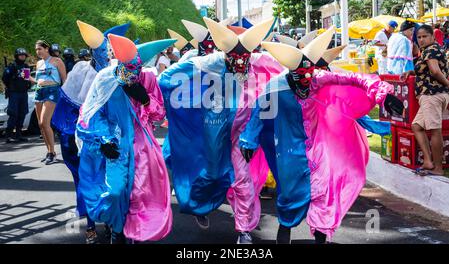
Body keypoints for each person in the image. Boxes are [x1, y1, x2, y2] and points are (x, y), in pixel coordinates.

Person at [240, 27, 402, 244]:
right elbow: (259, 113)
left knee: (325, 191)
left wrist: (384, 95)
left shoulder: (319, 78)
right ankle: (285, 230)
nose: (307, 81)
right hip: (289, 149)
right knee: (290, 197)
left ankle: (321, 237)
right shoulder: (275, 88)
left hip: (320, 146)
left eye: (310, 75)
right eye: (301, 77)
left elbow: (356, 79)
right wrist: (249, 140)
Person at [159, 17, 284, 244]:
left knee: (242, 180)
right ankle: (199, 205)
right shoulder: (210, 61)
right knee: (213, 173)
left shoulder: (260, 61)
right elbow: (167, 77)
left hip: (243, 133)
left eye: (243, 59)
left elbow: (287, 74)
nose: (238, 64)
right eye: (232, 59)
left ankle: (244, 230)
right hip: (214, 126)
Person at [76, 34, 175, 244]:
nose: (132, 76)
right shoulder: (105, 78)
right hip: (116, 144)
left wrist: (146, 99)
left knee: (140, 193)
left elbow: (159, 115)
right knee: (115, 191)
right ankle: (116, 226)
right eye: (127, 70)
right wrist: (104, 140)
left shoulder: (148, 78)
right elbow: (93, 112)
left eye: (135, 71)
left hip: (142, 146)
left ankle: (130, 231)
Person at [52, 20, 130, 243]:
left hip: (109, 140)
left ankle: (111, 220)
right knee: (84, 180)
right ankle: (90, 223)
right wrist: (73, 136)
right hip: (81, 139)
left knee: (109, 181)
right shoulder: (80, 70)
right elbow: (67, 107)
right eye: (104, 50)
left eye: (110, 51)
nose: (107, 55)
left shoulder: (116, 73)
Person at [402, 25, 449, 177]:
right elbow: (427, 69)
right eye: (419, 37)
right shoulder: (432, 50)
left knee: (435, 131)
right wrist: (411, 71)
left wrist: (448, 84)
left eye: (424, 36)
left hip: (432, 95)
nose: (421, 40)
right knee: (416, 126)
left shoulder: (430, 50)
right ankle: (428, 161)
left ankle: (438, 168)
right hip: (429, 96)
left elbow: (435, 71)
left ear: (432, 37)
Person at [29, 40, 66, 165]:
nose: (37, 51)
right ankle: (49, 151)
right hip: (39, 91)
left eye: (39, 49)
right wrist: (29, 78)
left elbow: (64, 79)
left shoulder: (57, 61)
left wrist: (65, 96)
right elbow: (38, 80)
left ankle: (52, 152)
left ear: (46, 48)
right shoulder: (38, 63)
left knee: (45, 122)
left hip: (52, 90)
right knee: (40, 124)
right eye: (36, 49)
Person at [2, 48, 32, 143]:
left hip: (23, 93)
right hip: (14, 93)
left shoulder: (26, 66)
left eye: (24, 55)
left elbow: (27, 79)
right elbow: (4, 78)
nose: (22, 57)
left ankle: (18, 135)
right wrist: (10, 87)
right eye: (20, 55)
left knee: (22, 113)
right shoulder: (12, 66)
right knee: (13, 114)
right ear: (16, 56)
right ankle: (9, 135)